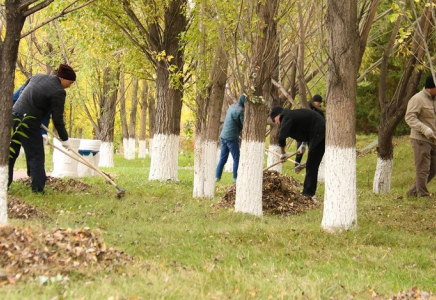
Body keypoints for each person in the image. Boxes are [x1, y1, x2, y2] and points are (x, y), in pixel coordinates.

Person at [8, 64, 76, 193]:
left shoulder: (37, 77)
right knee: (36, 156)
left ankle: (3, 184)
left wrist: (43, 132)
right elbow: (57, 119)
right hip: (29, 122)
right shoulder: (58, 92)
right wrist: (65, 139)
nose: (70, 85)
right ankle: (38, 190)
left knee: (10, 153)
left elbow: (22, 94)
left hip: (14, 117)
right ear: (62, 78)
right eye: (70, 82)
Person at [270, 107, 325, 197]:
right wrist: (303, 144)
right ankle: (308, 192)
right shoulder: (291, 116)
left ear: (278, 115)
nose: (275, 122)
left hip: (319, 131)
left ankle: (308, 194)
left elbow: (281, 137)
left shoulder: (286, 117)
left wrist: (283, 153)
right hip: (315, 131)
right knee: (312, 162)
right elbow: (304, 128)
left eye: (274, 120)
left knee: (312, 164)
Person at [405, 74, 436, 198]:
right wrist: (425, 129)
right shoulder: (417, 99)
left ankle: (413, 192)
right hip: (421, 139)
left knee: (433, 168)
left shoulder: (434, 99)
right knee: (423, 168)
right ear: (431, 87)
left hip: (434, 139)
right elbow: (409, 117)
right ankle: (422, 195)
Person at [216, 94, 245, 183]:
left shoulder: (232, 106)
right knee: (236, 158)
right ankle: (236, 179)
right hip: (232, 137)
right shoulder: (241, 111)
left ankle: (217, 177)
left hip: (223, 135)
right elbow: (244, 124)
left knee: (223, 158)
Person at [294, 94, 326, 173]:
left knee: (312, 150)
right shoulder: (307, 107)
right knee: (300, 150)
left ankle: (309, 164)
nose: (319, 104)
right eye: (317, 102)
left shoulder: (319, 110)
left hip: (312, 134)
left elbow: (322, 120)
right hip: (302, 132)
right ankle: (296, 166)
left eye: (319, 103)